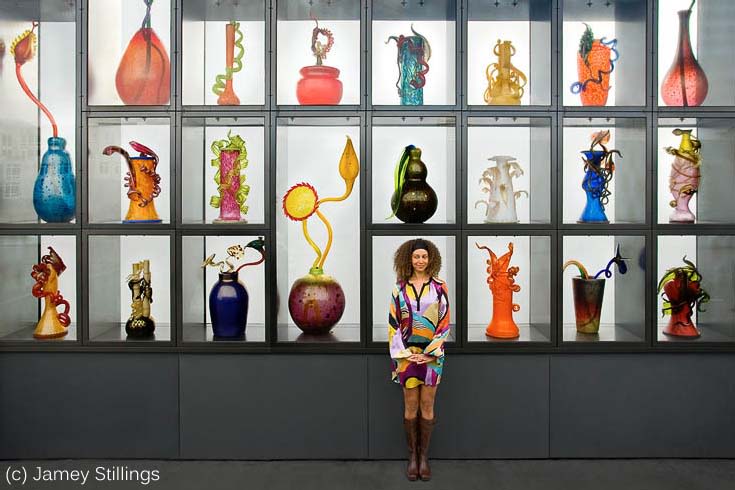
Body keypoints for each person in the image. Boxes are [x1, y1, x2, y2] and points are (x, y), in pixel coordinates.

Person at [388, 238, 450, 481]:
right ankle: (412, 457)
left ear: (430, 258)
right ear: (409, 259)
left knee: (427, 405)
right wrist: (407, 354)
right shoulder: (399, 289)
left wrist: (428, 353)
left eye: (424, 257)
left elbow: (444, 323)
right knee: (410, 406)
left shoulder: (439, 287)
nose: (420, 261)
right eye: (416, 257)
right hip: (406, 357)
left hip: (432, 357)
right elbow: (393, 325)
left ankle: (424, 458)